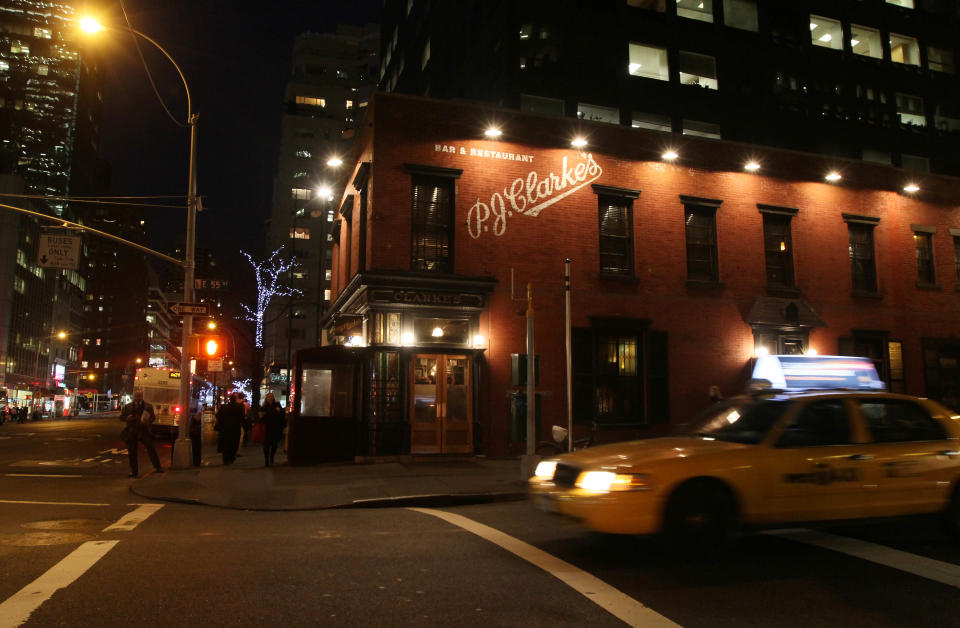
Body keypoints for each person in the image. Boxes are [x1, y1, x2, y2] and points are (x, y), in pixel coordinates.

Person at [119, 389, 164, 478]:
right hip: (132, 431)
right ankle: (134, 471)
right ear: (134, 396)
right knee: (132, 452)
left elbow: (153, 417)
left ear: (142, 397)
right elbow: (121, 417)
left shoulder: (148, 406)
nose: (137, 398)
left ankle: (158, 467)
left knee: (151, 449)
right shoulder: (128, 407)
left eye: (139, 396)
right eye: (136, 396)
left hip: (143, 430)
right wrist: (127, 418)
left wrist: (147, 421)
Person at [214, 393, 245, 465]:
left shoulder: (224, 407)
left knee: (226, 444)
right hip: (235, 428)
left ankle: (225, 459)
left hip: (225, 429)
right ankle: (231, 457)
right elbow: (242, 417)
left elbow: (218, 415)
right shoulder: (239, 407)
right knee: (234, 443)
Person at [259, 393, 285, 466]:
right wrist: (261, 416)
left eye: (271, 397)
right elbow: (260, 418)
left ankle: (271, 457)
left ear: (273, 398)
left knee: (274, 445)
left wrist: (279, 411)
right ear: (266, 398)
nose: (270, 398)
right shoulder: (264, 407)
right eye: (268, 397)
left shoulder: (277, 405)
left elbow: (281, 415)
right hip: (266, 428)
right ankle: (266, 460)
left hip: (275, 428)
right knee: (266, 446)